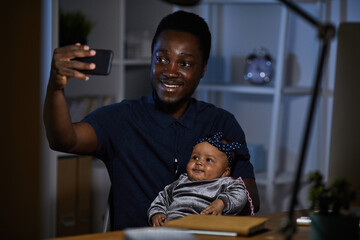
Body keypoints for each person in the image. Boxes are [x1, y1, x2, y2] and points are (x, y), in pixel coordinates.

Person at [44, 10, 259, 230]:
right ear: (151, 59)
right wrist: (55, 87)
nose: (170, 71)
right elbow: (63, 140)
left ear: (202, 69)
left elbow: (251, 197)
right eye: (162, 59)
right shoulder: (121, 118)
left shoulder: (221, 123)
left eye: (184, 64)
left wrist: (218, 203)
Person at [148, 132, 249, 227]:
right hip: (172, 226)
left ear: (224, 172)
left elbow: (240, 194)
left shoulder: (224, 183)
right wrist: (157, 213)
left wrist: (221, 203)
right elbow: (161, 199)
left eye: (208, 160)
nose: (199, 163)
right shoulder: (181, 181)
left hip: (203, 227)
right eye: (195, 158)